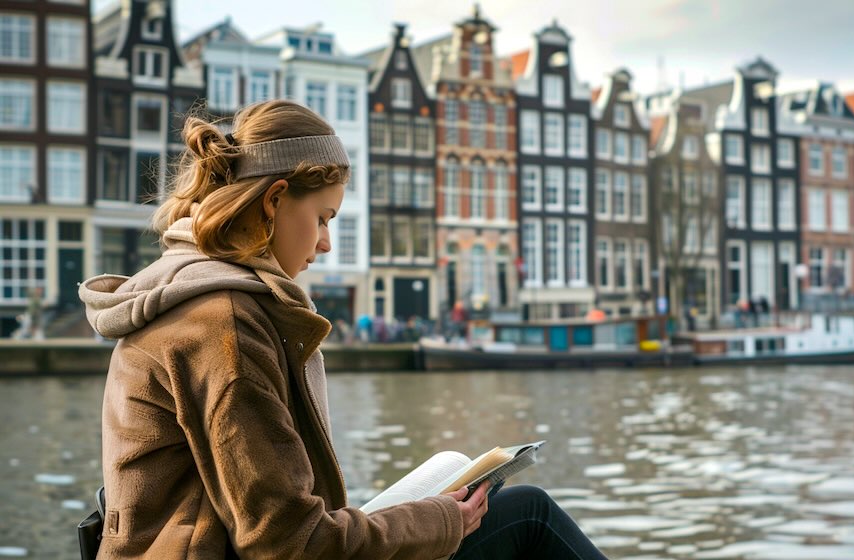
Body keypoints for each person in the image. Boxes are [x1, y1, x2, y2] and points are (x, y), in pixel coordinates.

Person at [79, 100, 604, 559]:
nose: (326, 243)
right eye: (323, 217)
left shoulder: (193, 299)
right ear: (273, 200)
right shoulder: (226, 325)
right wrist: (441, 519)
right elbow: (287, 544)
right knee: (528, 516)